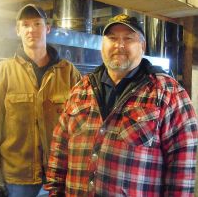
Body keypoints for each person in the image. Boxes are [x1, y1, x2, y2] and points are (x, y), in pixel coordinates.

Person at [45, 14, 198, 196]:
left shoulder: (168, 93)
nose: (119, 45)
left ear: (142, 46)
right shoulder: (80, 89)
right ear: (103, 45)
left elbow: (182, 166)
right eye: (112, 38)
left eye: (128, 38)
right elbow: (60, 148)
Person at [0, 4, 81, 197]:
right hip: (17, 180)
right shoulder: (3, 72)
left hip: (59, 176)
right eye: (25, 25)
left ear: (47, 28)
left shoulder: (68, 72)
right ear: (18, 30)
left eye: (37, 23)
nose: (31, 29)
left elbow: (80, 127)